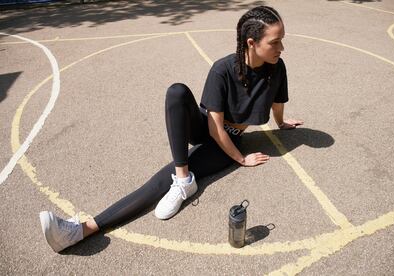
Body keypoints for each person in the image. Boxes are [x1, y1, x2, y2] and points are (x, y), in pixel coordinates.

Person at [39, 5, 303, 253]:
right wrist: (241, 159)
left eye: (281, 39)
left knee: (158, 180)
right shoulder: (223, 69)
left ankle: (81, 231)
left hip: (229, 138)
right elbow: (213, 126)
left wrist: (281, 123)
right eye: (275, 41)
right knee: (176, 92)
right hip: (209, 127)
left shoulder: (276, 68)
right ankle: (183, 179)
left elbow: (277, 102)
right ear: (251, 43)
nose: (282, 47)